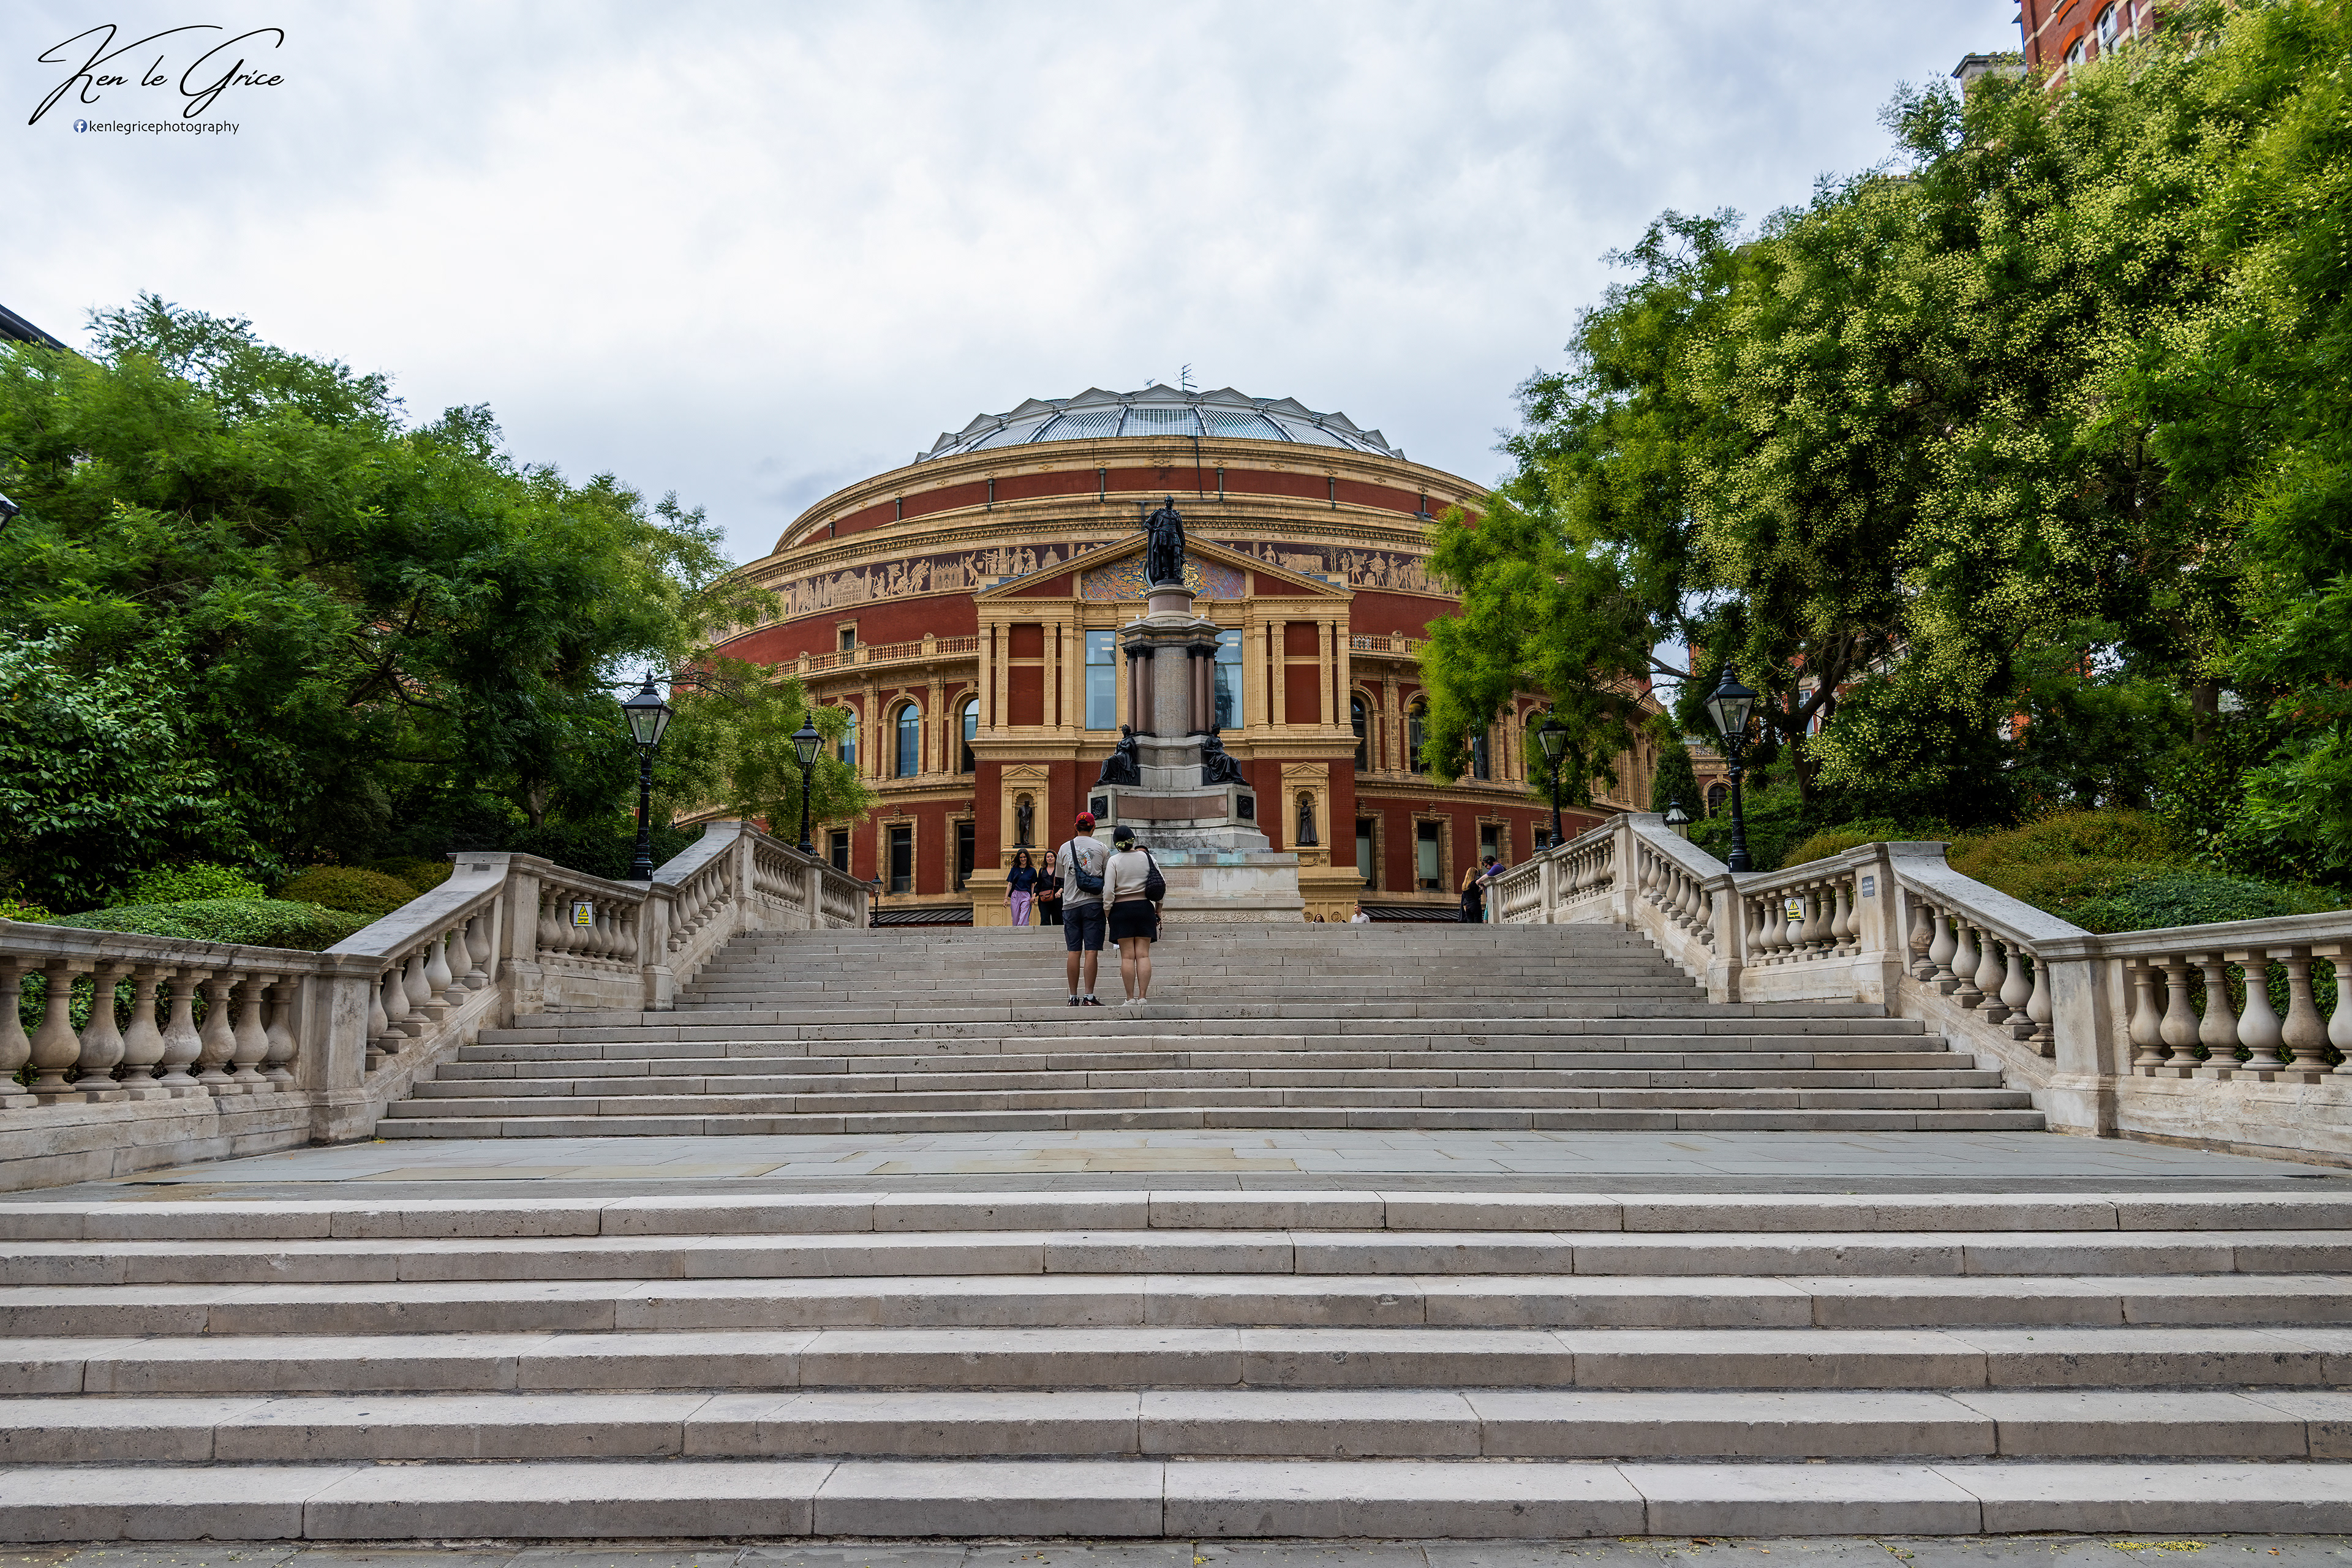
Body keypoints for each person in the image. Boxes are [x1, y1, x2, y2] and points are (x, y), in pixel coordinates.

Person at [1057, 814, 1111, 1005]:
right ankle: (1088, 996)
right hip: (1093, 904)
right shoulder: (1102, 848)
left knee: (1073, 951)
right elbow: (1108, 876)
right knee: (1091, 951)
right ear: (1093, 828)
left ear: (1075, 827)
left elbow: (1061, 876)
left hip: (1070, 904)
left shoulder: (1064, 848)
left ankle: (1072, 996)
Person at [1103, 824, 1158, 1005]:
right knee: (1143, 955)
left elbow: (1109, 891)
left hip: (1121, 910)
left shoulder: (1114, 861)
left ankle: (1130, 998)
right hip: (1144, 908)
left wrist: (1108, 912)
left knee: (1127, 957)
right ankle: (1143, 997)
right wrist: (1158, 910)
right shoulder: (1147, 858)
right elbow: (1161, 885)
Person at [1006, 849, 1037, 927]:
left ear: (1027, 858)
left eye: (1024, 857)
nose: (1023, 859)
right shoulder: (1014, 869)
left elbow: (1033, 885)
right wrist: (1006, 898)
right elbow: (1010, 884)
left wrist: (1033, 896)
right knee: (1015, 919)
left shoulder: (1032, 870)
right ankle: (1016, 936)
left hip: (1026, 895)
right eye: (1021, 857)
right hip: (1015, 895)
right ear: (1018, 859)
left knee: (1023, 918)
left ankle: (1022, 933)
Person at [1034, 856, 1063, 929]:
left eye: (1052, 857)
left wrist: (1059, 892)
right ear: (1045, 859)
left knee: (1057, 918)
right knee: (1044, 918)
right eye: (1048, 857)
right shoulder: (1042, 871)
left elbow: (1063, 883)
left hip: (1056, 896)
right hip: (1044, 897)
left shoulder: (1059, 870)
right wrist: (1034, 895)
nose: (1050, 858)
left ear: (1055, 858)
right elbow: (1039, 884)